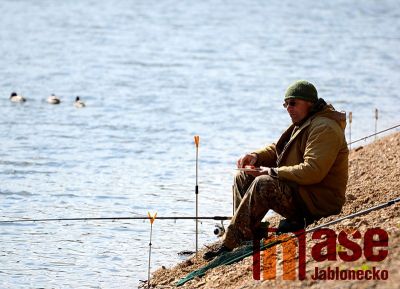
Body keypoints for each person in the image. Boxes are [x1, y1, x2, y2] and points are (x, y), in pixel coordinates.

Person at [204, 80, 349, 260]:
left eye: (293, 103)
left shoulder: (324, 128)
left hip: (317, 203)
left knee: (263, 183)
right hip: (302, 193)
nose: (288, 108)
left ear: (309, 103)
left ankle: (230, 243)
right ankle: (246, 235)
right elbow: (280, 149)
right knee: (243, 176)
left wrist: (271, 172)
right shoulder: (306, 121)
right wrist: (255, 156)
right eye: (286, 104)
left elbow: (313, 170)